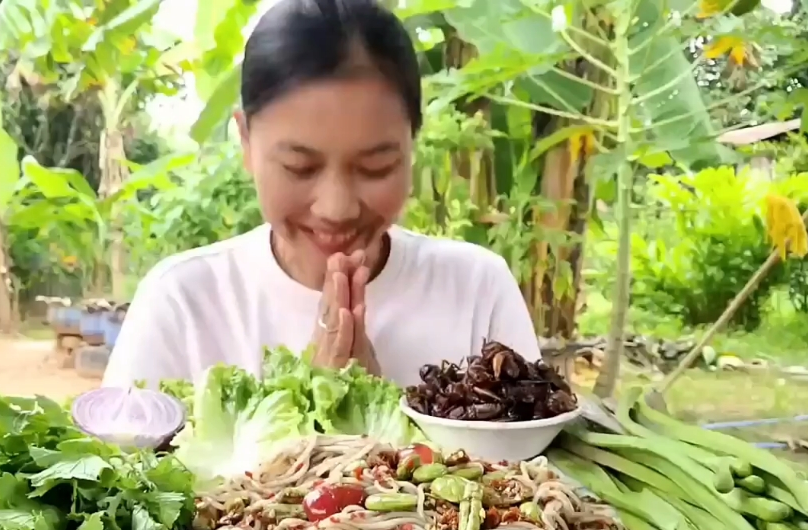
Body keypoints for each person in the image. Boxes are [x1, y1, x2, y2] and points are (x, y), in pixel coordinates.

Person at [102, 0, 540, 389]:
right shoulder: (183, 303)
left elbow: (534, 471)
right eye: (300, 167)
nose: (336, 207)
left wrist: (378, 415)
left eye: (376, 167)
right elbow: (124, 477)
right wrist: (313, 409)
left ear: (412, 145)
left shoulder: (476, 289)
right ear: (246, 142)